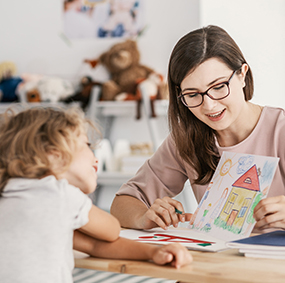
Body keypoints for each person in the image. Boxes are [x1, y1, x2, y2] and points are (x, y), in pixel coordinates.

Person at [110, 25, 285, 233]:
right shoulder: (186, 139)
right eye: (193, 94)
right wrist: (143, 217)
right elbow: (124, 202)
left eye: (219, 87)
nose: (209, 106)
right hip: (217, 262)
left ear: (242, 74)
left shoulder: (279, 130)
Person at [0, 106, 192, 283]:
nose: (95, 156)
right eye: (86, 144)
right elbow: (111, 230)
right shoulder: (59, 195)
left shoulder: (9, 195)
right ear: (54, 155)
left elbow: (92, 245)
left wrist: (153, 252)